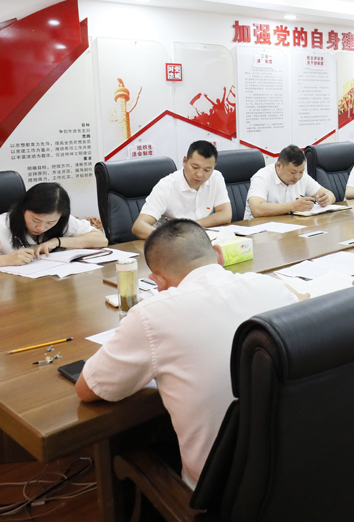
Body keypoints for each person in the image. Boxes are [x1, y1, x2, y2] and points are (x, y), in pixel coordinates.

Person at [75, 219, 297, 489]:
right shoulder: (272, 287)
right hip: (293, 466)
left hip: (220, 489)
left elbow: (88, 389)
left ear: (157, 281)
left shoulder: (151, 314)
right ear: (219, 254)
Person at [0, 182, 108, 275]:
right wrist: (5, 260)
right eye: (35, 220)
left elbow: (101, 240)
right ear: (23, 209)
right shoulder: (0, 227)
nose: (41, 227)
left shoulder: (59, 220)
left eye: (50, 223)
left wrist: (57, 241)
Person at [133, 141, 232, 239]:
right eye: (195, 167)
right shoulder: (166, 186)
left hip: (201, 238)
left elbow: (226, 214)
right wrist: (172, 238)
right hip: (169, 242)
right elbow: (139, 226)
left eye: (207, 170)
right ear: (185, 161)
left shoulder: (216, 177)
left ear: (214, 167)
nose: (199, 174)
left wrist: (190, 226)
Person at [244, 144, 335, 219]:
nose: (297, 177)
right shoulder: (262, 177)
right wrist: (293, 206)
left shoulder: (302, 177)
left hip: (288, 226)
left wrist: (326, 199)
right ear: (279, 166)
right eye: (292, 172)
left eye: (301, 171)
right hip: (259, 230)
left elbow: (330, 194)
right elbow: (257, 209)